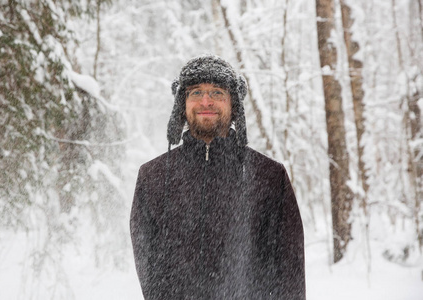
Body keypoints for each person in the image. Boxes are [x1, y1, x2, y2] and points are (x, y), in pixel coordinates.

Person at [130, 55, 306, 299]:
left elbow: (289, 273)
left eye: (217, 93)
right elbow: (148, 270)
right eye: (195, 92)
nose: (206, 101)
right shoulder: (154, 177)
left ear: (233, 104)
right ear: (182, 104)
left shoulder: (269, 176)